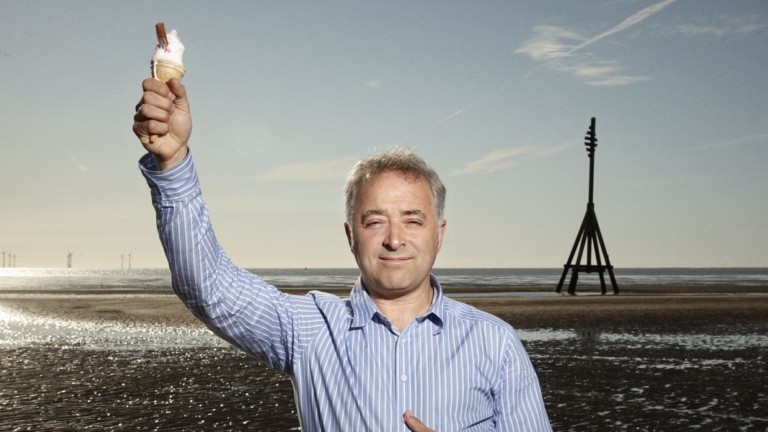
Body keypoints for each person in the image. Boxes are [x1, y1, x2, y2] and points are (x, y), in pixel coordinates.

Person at [132, 77, 551, 431]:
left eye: (412, 219)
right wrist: (172, 162)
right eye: (374, 221)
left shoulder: (494, 343)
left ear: (439, 234)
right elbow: (209, 288)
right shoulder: (310, 330)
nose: (394, 239)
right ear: (351, 236)